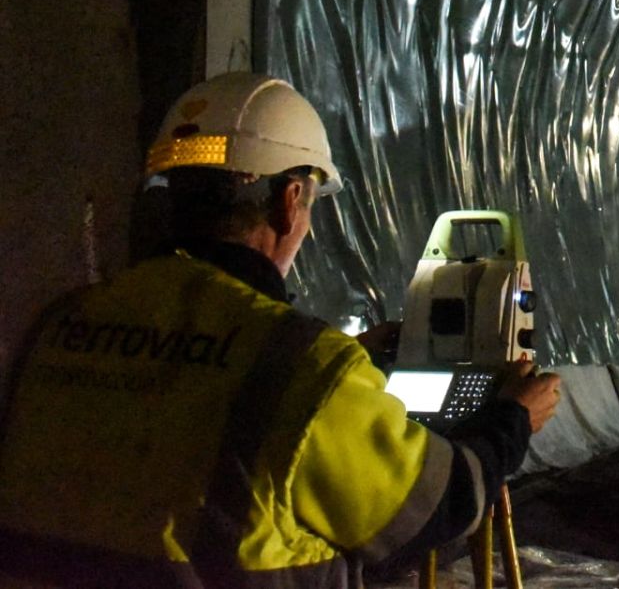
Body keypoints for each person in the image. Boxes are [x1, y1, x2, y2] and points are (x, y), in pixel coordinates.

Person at [0, 72, 563, 587]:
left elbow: (181, 392)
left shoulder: (63, 322)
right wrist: (512, 420)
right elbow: (431, 509)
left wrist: (339, 360)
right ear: (290, 201)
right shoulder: (304, 369)